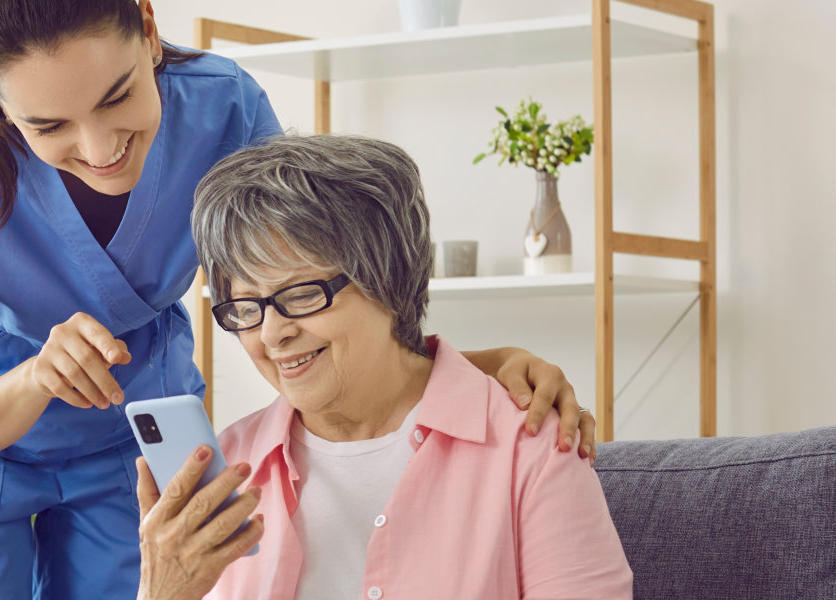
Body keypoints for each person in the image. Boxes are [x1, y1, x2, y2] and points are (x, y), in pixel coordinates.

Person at [0, 1, 601, 597]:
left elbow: (311, 298)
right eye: (49, 127)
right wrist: (36, 375)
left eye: (117, 96)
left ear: (149, 30)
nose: (98, 148)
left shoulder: (222, 107)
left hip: (134, 425)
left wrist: (472, 371)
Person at [136, 134, 632, 600]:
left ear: (388, 280)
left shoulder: (529, 447)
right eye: (245, 307)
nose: (271, 334)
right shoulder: (225, 472)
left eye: (302, 294)